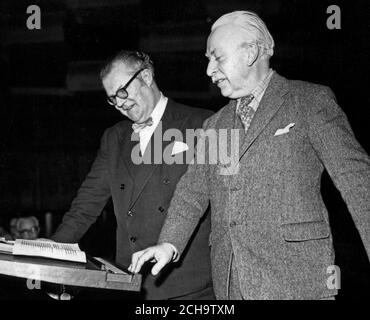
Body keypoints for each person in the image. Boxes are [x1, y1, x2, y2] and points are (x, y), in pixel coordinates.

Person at [129, 11, 370, 300]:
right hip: (231, 285)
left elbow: (357, 182)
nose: (209, 70)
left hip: (298, 283)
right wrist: (168, 244)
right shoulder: (216, 124)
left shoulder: (309, 102)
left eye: (217, 57)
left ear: (251, 53)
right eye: (208, 60)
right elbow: (193, 192)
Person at [50, 50, 214, 300]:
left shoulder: (203, 124)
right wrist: (53, 250)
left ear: (146, 76)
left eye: (122, 92)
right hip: (130, 283)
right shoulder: (113, 138)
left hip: (189, 289)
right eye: (112, 99)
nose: (120, 103)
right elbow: (87, 203)